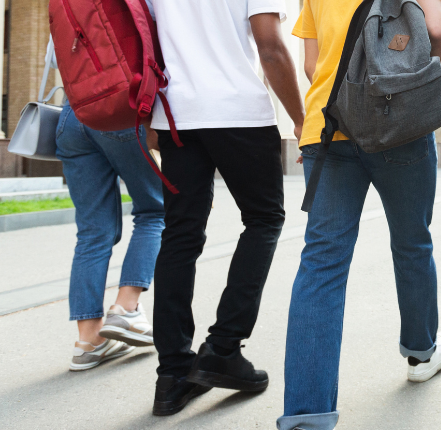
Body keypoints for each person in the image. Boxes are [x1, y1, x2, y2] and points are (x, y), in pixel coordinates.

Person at [277, 0, 441, 429]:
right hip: (400, 125)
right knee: (412, 242)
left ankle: (307, 415)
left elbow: (312, 63)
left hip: (328, 123)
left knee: (321, 263)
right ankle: (420, 352)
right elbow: (437, 33)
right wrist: (422, 93)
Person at [147, 0, 305, 417]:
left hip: (176, 116)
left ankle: (172, 376)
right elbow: (270, 46)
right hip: (239, 113)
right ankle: (223, 347)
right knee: (264, 219)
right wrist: (300, 119)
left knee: (179, 235)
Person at [50, 37, 164, 372]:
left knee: (92, 231)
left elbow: (56, 61)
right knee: (155, 210)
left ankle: (88, 341)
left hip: (72, 116)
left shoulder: (68, 6)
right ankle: (126, 308)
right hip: (120, 109)